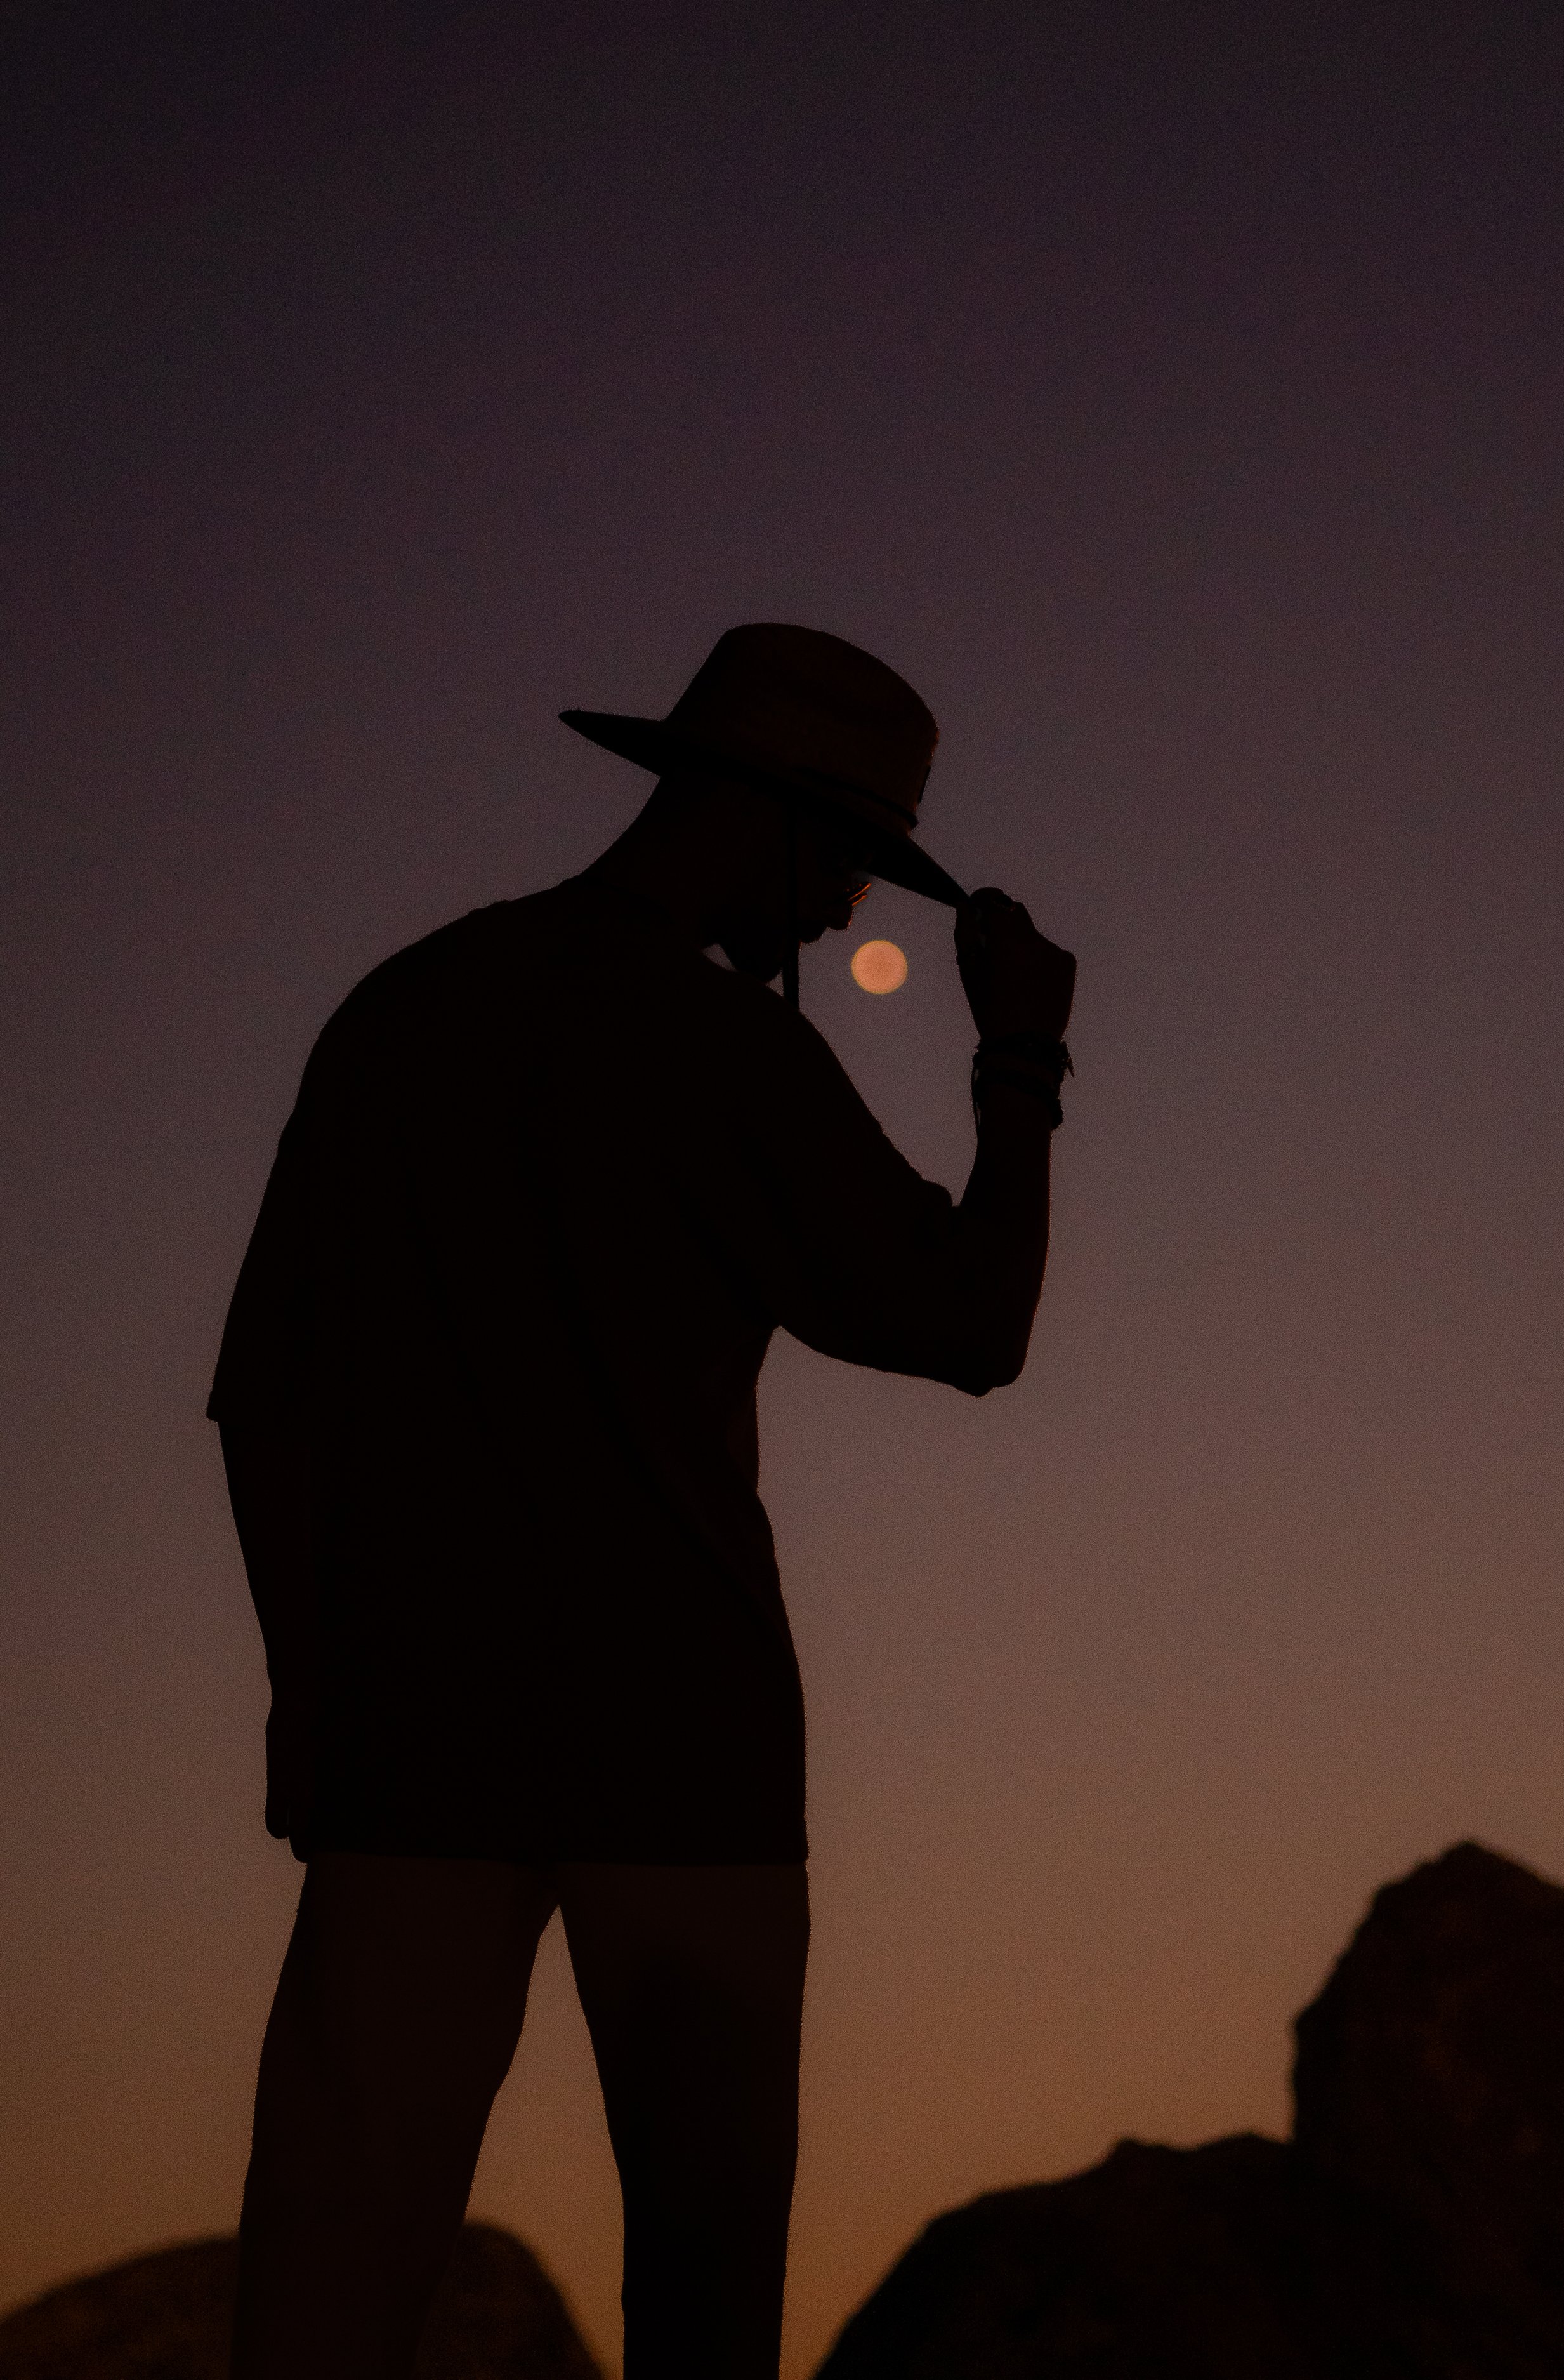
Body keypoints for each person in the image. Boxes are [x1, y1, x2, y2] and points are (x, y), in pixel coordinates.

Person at [211, 622, 1077, 2380]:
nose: (842, 911)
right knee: (704, 2307)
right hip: (688, 1760)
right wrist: (1019, 1067)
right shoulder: (724, 1050)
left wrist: (309, 1697)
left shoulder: (407, 1008)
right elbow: (971, 1326)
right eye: (846, 859)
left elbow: (264, 1397)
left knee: (323, 2298)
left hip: (414, 1752)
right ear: (770, 815)